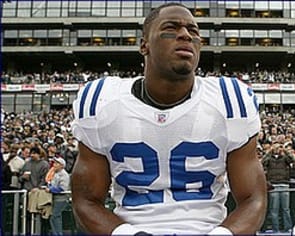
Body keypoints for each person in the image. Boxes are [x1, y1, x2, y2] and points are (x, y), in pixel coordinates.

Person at [70, 3, 266, 235]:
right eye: (171, 28)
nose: (185, 35)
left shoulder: (230, 100)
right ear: (144, 45)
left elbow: (253, 198)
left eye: (193, 31)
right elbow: (85, 200)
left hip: (209, 229)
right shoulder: (102, 102)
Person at [262, 142, 295, 233]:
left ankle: (288, 228)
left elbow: (292, 160)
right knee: (274, 209)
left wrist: (285, 150)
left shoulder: (285, 158)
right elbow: (262, 162)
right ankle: (275, 229)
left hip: (284, 184)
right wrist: (269, 152)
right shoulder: (269, 158)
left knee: (286, 209)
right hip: (273, 185)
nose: (277, 149)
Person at [45, 157, 70, 235]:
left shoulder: (64, 174)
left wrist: (51, 190)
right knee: (55, 217)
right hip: (54, 198)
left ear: (62, 165)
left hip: (61, 199)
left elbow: (62, 188)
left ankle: (58, 234)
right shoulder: (54, 173)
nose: (54, 165)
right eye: (54, 163)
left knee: (54, 217)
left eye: (56, 163)